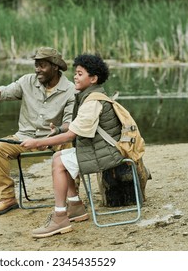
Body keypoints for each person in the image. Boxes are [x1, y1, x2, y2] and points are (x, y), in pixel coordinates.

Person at [0, 47, 76, 216]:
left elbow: (69, 124)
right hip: (24, 138)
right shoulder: (27, 81)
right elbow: (2, 93)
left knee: (69, 146)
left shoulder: (70, 90)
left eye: (42, 66)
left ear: (55, 67)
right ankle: (7, 198)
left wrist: (57, 130)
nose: (37, 70)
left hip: (54, 139)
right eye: (36, 65)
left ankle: (73, 198)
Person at [21, 53, 124, 238]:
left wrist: (38, 142)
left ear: (93, 78)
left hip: (107, 154)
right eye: (75, 73)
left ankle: (60, 216)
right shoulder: (89, 96)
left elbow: (71, 134)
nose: (75, 77)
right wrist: (57, 131)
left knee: (59, 162)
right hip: (102, 150)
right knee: (61, 156)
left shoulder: (92, 102)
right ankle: (75, 205)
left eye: (80, 73)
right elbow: (71, 130)